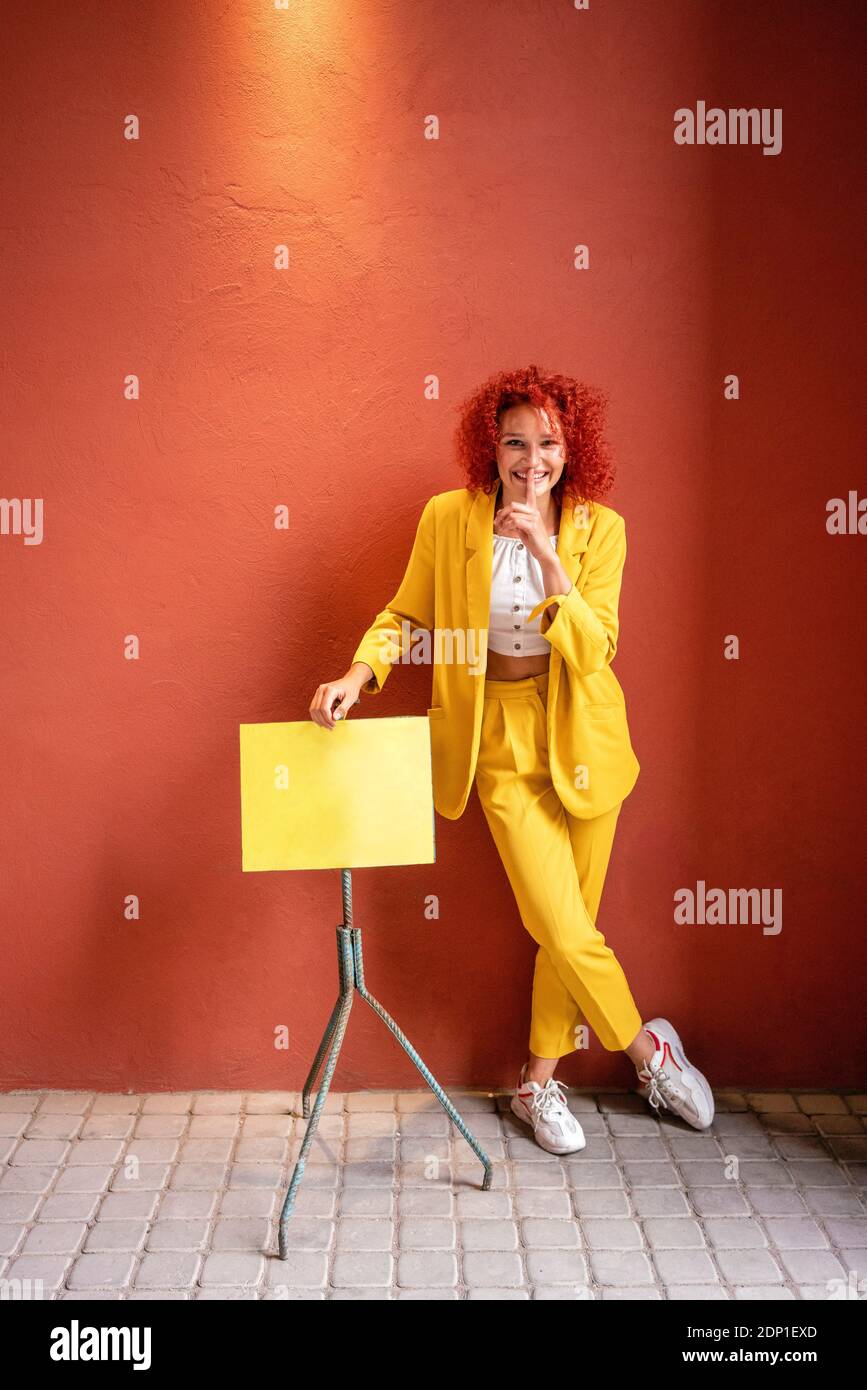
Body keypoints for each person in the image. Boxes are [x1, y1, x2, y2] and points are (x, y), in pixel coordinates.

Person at [310, 364, 714, 1155]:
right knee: (554, 920)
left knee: (570, 930)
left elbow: (596, 651)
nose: (533, 460)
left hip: (583, 736)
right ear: (488, 449)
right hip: (493, 734)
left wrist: (546, 555)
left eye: (549, 443)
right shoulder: (449, 520)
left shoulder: (601, 529)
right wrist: (358, 675)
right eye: (515, 443)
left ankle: (534, 1083)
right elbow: (405, 615)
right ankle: (646, 1051)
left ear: (573, 448)